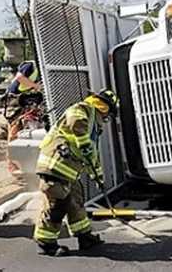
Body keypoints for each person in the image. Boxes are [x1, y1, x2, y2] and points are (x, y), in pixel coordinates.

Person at [33, 89, 119, 256]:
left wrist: (98, 176)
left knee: (75, 201)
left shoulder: (93, 124)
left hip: (69, 172)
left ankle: (84, 236)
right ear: (106, 108)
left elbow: (91, 156)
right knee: (57, 204)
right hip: (54, 165)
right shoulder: (84, 109)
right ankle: (45, 242)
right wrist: (84, 144)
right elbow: (75, 122)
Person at [4, 60, 42, 141]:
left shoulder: (42, 69)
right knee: (14, 125)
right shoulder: (31, 65)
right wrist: (35, 86)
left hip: (25, 97)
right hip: (14, 98)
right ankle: (12, 147)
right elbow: (20, 77)